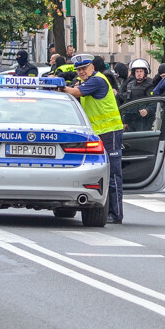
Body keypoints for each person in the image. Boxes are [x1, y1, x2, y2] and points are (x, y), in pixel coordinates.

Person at [63, 54, 125, 224]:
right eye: (79, 69)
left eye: (84, 68)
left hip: (109, 132)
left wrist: (58, 86)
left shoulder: (97, 80)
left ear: (92, 67)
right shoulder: (90, 81)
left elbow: (75, 92)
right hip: (97, 134)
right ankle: (109, 210)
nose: (81, 72)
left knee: (112, 174)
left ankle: (116, 214)